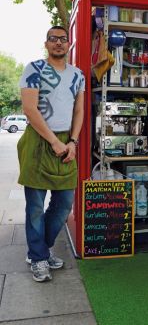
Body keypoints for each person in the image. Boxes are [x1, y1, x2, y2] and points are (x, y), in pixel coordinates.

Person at [17, 25, 85, 282]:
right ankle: (38, 257)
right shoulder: (33, 69)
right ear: (46, 44)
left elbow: (79, 111)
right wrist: (54, 142)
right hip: (37, 141)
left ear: (68, 45)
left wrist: (73, 142)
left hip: (67, 142)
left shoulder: (78, 74)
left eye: (63, 39)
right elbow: (29, 109)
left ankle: (39, 251)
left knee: (64, 204)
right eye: (53, 39)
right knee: (35, 206)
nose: (58, 43)